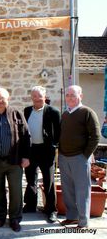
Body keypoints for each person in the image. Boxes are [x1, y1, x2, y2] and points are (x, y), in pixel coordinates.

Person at [0, 87, 30, 232]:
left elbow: (26, 135)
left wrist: (26, 156)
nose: (0, 102)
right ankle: (0, 217)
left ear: (8, 99)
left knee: (16, 192)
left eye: (3, 99)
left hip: (14, 161)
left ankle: (15, 219)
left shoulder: (16, 114)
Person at [59, 85, 100, 228]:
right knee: (68, 190)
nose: (69, 97)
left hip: (80, 158)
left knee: (82, 191)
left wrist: (85, 155)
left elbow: (95, 136)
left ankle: (83, 222)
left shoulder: (87, 112)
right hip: (64, 158)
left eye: (73, 95)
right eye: (68, 95)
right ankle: (72, 217)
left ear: (80, 96)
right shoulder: (65, 114)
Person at [23, 86, 61, 223]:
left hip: (46, 151)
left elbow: (58, 133)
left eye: (40, 97)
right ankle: (30, 205)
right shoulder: (27, 111)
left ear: (45, 97)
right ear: (31, 97)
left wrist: (54, 146)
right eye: (34, 97)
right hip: (31, 150)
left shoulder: (53, 112)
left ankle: (51, 210)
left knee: (48, 181)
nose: (37, 100)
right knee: (30, 179)